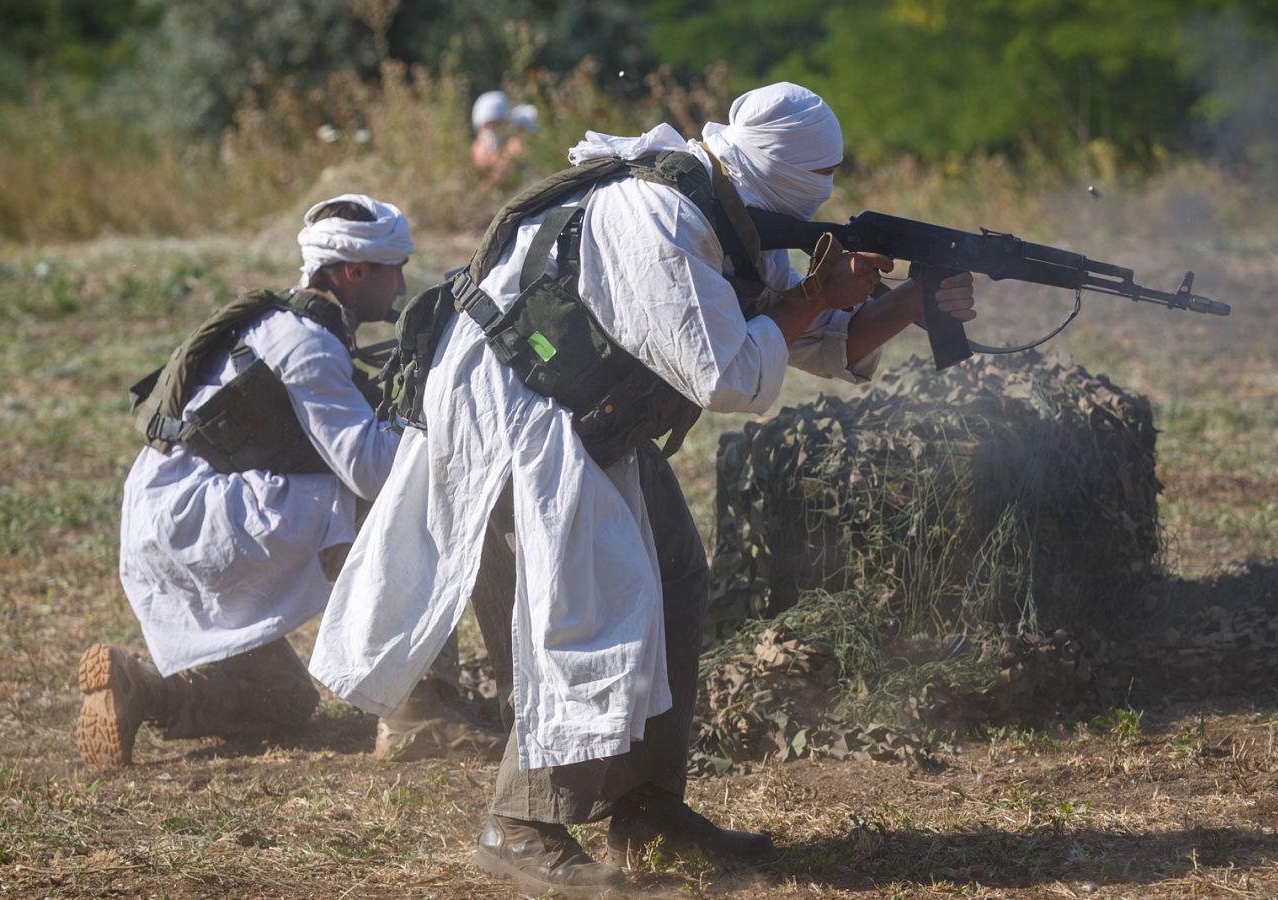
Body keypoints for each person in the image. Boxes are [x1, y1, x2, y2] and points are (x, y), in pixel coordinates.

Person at [310, 83, 976, 894]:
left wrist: (907, 301)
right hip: (523, 416)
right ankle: (520, 825)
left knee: (673, 577)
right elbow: (728, 370)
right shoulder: (653, 215)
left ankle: (646, 806)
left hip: (594, 414)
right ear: (773, 165)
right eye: (817, 177)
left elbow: (809, 337)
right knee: (589, 612)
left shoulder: (737, 208)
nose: (825, 196)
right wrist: (814, 295)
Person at [77, 194, 495, 768]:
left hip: (171, 520)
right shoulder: (307, 345)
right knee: (401, 505)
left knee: (283, 702)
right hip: (201, 520)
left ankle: (140, 690)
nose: (400, 287)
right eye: (393, 269)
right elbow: (372, 470)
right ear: (353, 271)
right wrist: (444, 424)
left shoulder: (285, 323)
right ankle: (419, 716)